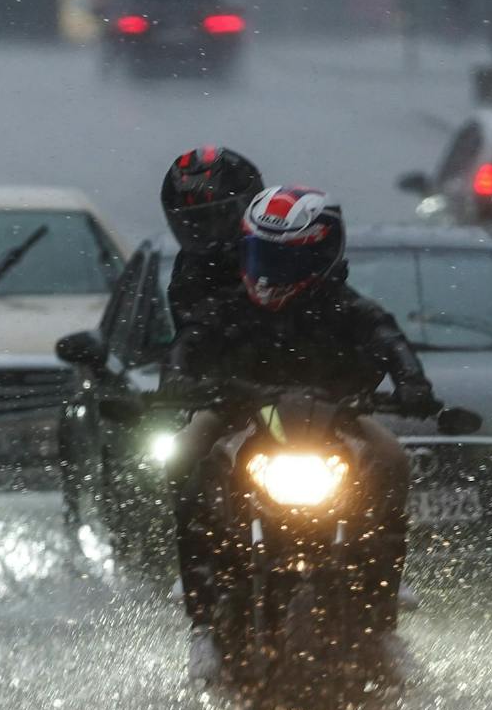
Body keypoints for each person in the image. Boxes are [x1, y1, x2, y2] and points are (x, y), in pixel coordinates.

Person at [164, 186, 437, 680]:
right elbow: (190, 340)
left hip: (334, 421)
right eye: (260, 255)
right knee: (182, 456)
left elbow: (388, 339)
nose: (269, 272)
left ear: (321, 256)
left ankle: (382, 620)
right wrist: (178, 380)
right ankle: (202, 620)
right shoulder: (229, 306)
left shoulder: (349, 307)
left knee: (392, 459)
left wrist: (413, 383)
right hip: (240, 415)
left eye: (284, 259)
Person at [159, 145, 264, 322]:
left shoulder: (273, 257)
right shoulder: (188, 271)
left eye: (220, 217)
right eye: (197, 221)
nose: (209, 231)